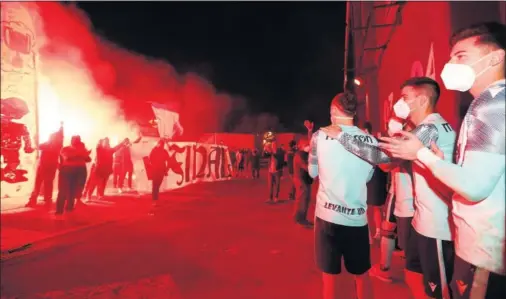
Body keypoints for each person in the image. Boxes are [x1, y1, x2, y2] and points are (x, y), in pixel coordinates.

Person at [379, 22, 506, 299]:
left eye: (461, 56)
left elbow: (474, 186)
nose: (450, 63)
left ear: (496, 57)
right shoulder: (485, 104)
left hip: (477, 249)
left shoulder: (490, 104)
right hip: (458, 237)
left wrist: (420, 154)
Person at [325, 77, 457, 299]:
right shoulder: (423, 128)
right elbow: (388, 163)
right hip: (422, 222)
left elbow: (382, 159)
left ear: (423, 99)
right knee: (413, 276)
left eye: (405, 97)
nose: (400, 102)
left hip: (437, 227)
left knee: (438, 292)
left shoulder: (430, 128)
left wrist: (342, 136)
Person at [309, 91, 375, 299]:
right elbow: (369, 176)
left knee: (329, 276)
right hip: (357, 219)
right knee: (362, 275)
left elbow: (312, 173)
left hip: (328, 218)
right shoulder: (370, 141)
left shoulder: (319, 136)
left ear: (334, 111)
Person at [26, 124, 63, 208]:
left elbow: (39, 146)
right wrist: (61, 129)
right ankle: (46, 201)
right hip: (50, 166)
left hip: (44, 166)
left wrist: (36, 139)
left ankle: (35, 201)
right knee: (47, 184)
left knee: (39, 183)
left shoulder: (48, 145)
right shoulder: (57, 146)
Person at [55, 135, 91, 218]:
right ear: (71, 141)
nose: (76, 141)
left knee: (73, 190)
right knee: (63, 191)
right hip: (67, 170)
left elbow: (88, 159)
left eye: (78, 140)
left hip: (78, 171)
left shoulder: (82, 149)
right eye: (75, 140)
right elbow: (67, 158)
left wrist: (83, 153)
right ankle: (59, 210)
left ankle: (69, 208)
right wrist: (80, 154)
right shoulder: (66, 149)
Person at [293, 137, 313, 227]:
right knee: (301, 200)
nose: (308, 146)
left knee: (306, 199)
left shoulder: (305, 154)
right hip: (301, 180)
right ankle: (299, 219)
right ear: (301, 146)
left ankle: (302, 218)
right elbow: (306, 167)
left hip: (305, 180)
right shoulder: (299, 155)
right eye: (306, 145)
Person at [149, 139, 170, 205]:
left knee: (156, 185)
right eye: (161, 144)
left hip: (159, 170)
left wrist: (166, 169)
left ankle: (155, 199)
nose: (161, 145)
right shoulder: (155, 150)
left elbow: (168, 159)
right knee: (155, 185)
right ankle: (154, 200)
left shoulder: (162, 151)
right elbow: (150, 159)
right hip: (157, 169)